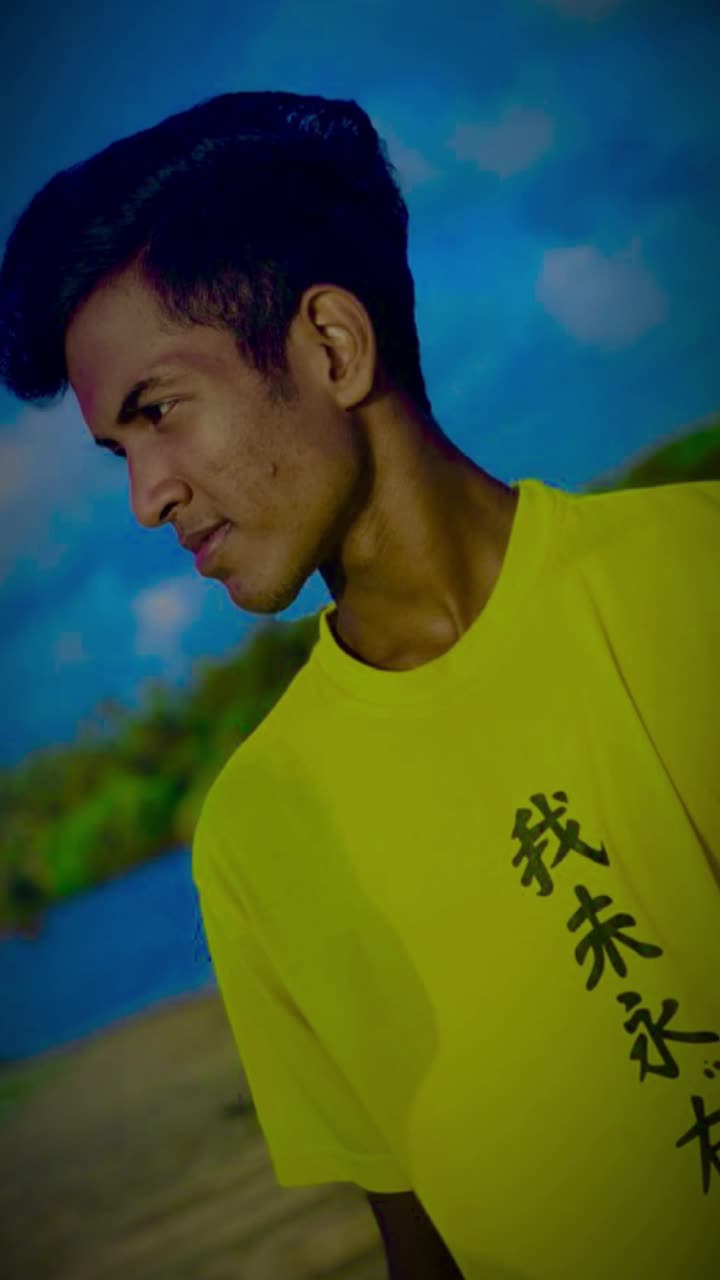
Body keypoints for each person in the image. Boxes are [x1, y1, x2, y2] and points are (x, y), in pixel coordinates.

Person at [0, 90, 718, 1280]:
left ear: (332, 346)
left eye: (159, 411)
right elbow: (418, 1246)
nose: (146, 495)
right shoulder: (259, 834)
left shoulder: (694, 570)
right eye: (120, 451)